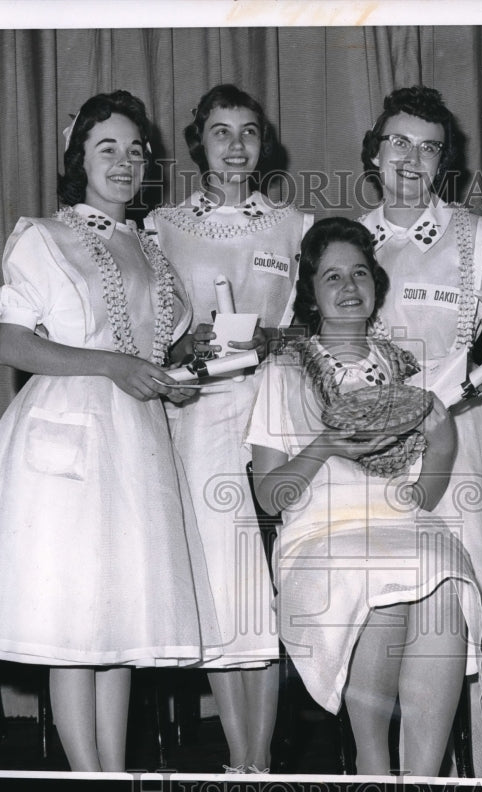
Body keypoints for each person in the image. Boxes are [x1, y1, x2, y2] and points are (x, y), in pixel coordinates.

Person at [0, 90, 212, 772]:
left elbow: (157, 351)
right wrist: (116, 365)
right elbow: (12, 345)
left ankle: (111, 769)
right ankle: (89, 775)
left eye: (135, 148)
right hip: (69, 441)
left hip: (136, 444)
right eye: (106, 147)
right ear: (77, 158)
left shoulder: (148, 247)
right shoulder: (44, 237)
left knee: (121, 624)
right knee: (72, 622)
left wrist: (192, 357)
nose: (123, 161)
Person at [246, 216, 482, 777]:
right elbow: (270, 496)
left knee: (440, 575)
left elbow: (422, 500)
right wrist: (328, 446)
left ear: (376, 284)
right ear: (309, 292)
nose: (348, 286)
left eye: (359, 272)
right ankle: (374, 764)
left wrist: (443, 443)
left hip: (401, 527)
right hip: (319, 536)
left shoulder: (402, 372)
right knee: (383, 582)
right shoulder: (284, 373)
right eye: (331, 277)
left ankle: (424, 776)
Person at [357, 85, 482, 778]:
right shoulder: (349, 239)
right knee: (398, 621)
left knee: (471, 616)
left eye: (428, 148)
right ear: (375, 152)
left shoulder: (473, 236)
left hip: (463, 447)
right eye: (399, 142)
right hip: (376, 456)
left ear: (443, 164)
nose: (411, 158)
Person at [146, 84, 312, 774]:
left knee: (268, 591)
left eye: (248, 131)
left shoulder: (292, 225)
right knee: (226, 589)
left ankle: (260, 762)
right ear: (200, 144)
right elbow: (155, 335)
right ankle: (242, 760)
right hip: (202, 418)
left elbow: (312, 324)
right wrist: (188, 347)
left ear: (262, 143)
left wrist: (275, 338)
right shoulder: (163, 226)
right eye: (221, 132)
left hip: (275, 411)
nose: (236, 144)